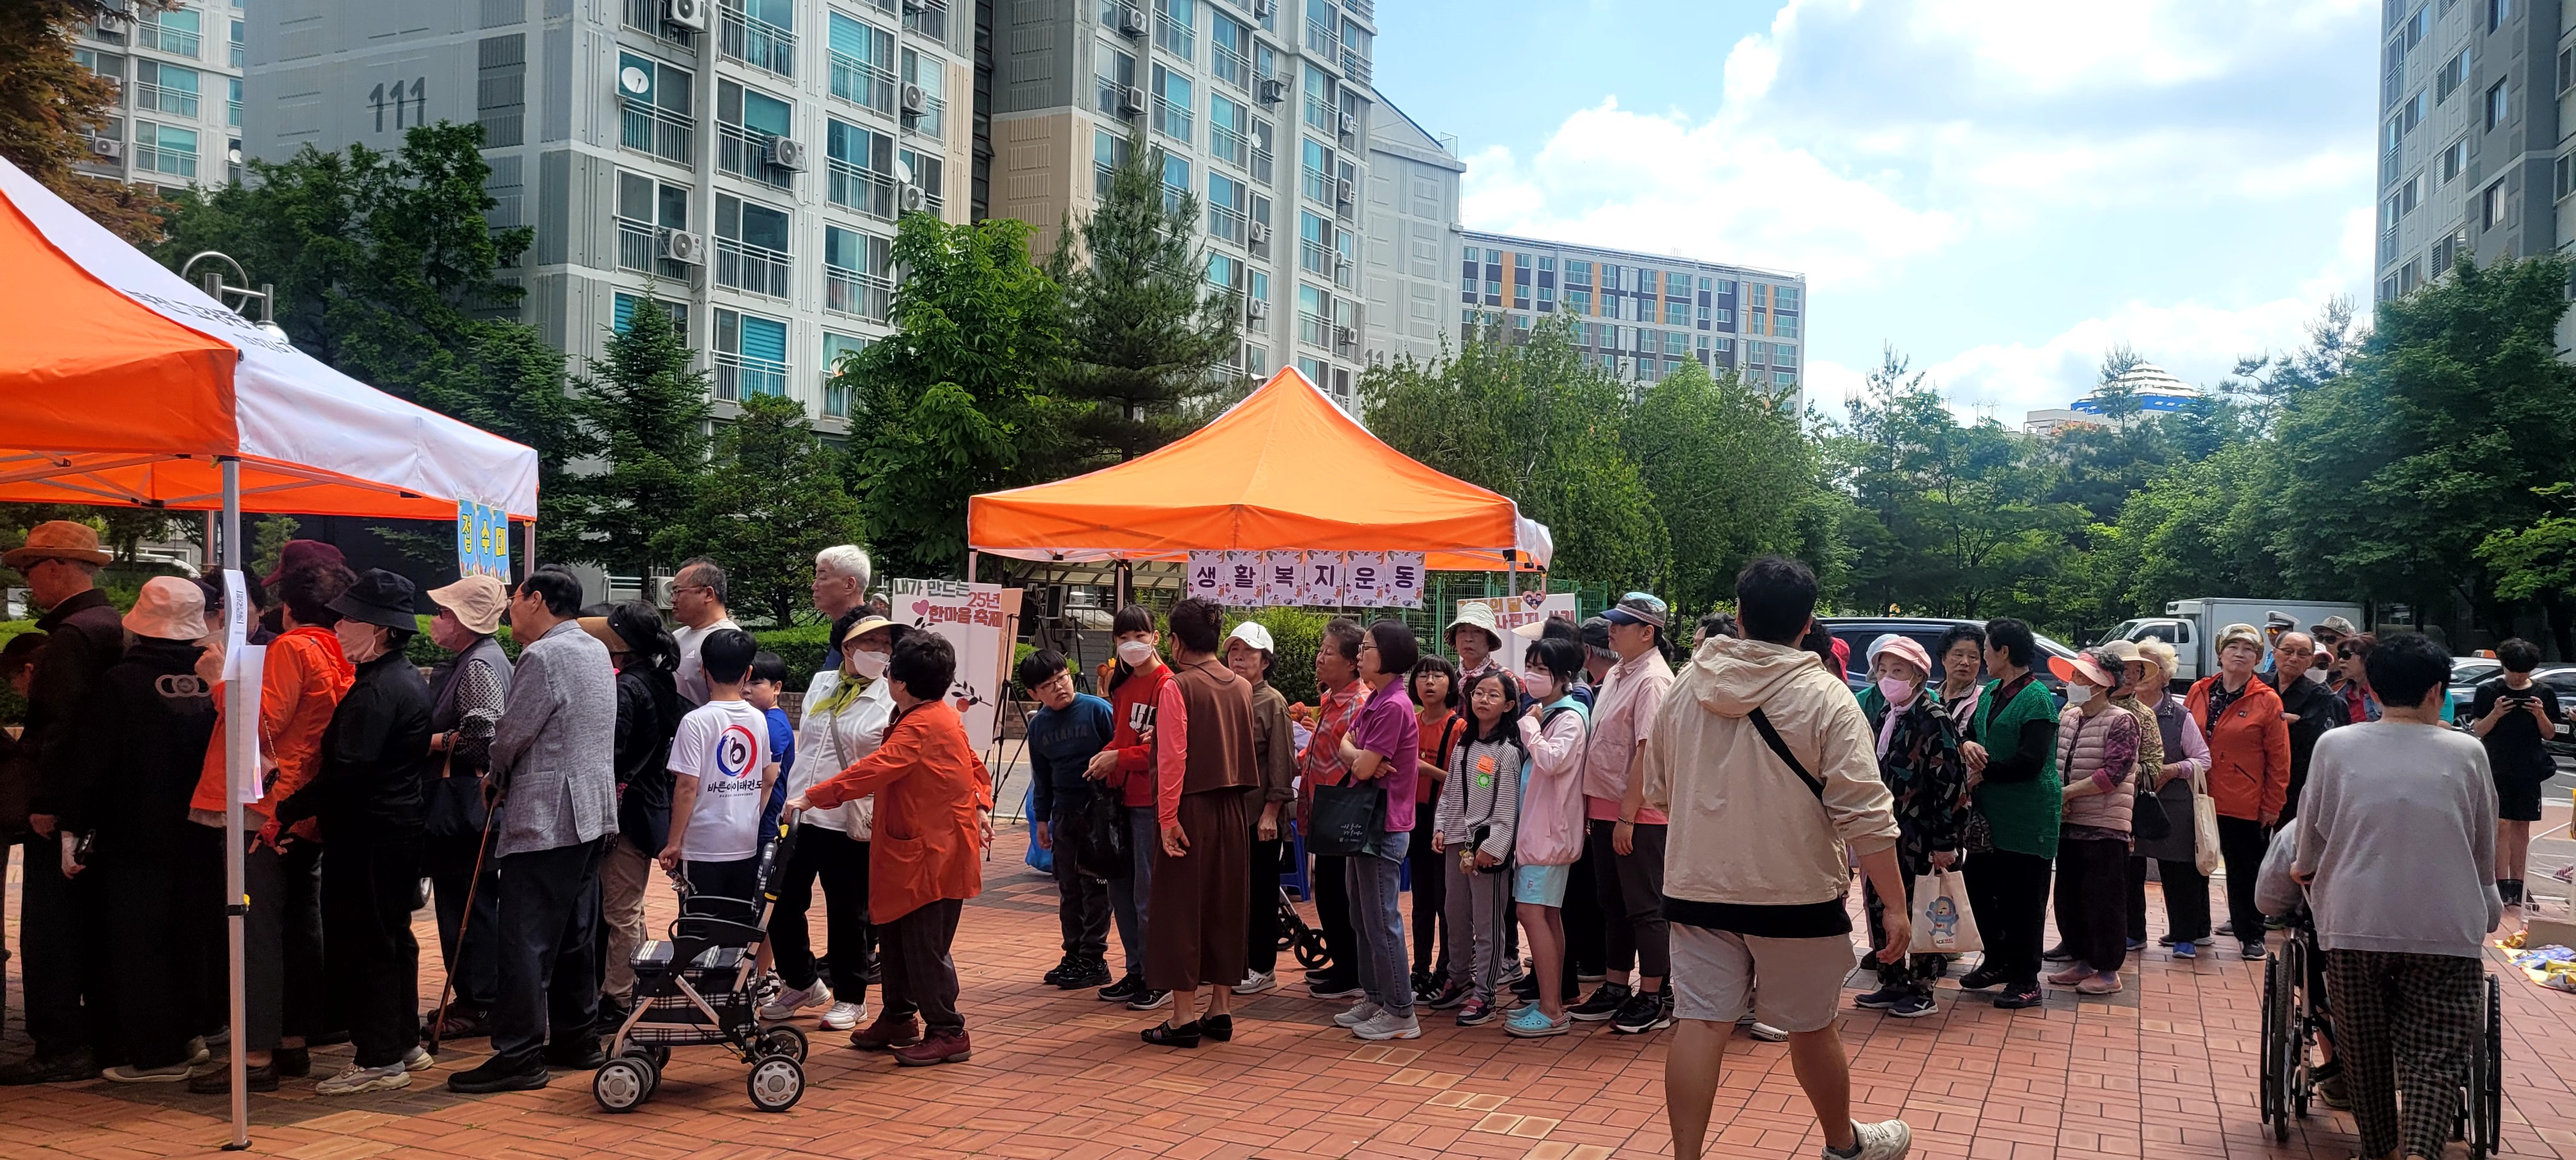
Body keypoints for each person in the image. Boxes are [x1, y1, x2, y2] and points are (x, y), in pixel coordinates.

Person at [1644, 556, 1913, 1160]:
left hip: (1697, 887)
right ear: (1807, 623)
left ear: (1738, 614)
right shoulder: (1826, 696)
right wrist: (1895, 906)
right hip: (1795, 894)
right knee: (1811, 1025)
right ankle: (1844, 1145)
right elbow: (1865, 813)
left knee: (1700, 1024)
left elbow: (1658, 786)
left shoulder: (1687, 685)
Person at [2295, 632, 2504, 1160]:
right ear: (2437, 691)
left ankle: (2378, 1149)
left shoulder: (2336, 745)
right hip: (2445, 925)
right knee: (2435, 1054)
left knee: (2364, 1050)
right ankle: (2420, 1150)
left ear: (2373, 687)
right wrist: (2490, 901)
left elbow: (2312, 828)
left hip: (2353, 920)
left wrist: (2302, 868)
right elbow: (2483, 842)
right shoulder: (2468, 752)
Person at [178, 563, 353, 1093]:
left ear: (287, 607)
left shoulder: (291, 649)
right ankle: (292, 1041)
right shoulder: (337, 650)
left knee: (255, 928)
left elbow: (260, 724)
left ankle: (255, 1055)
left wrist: (218, 682)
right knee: (298, 926)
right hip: (303, 803)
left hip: (264, 804)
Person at [449, 566, 619, 1094]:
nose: (510, 611)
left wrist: (494, 775)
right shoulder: (594, 648)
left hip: (548, 813)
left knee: (524, 937)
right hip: (591, 811)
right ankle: (576, 1037)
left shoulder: (544, 655)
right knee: (574, 933)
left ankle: (519, 1054)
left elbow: (511, 734)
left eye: (515, 600)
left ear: (537, 599)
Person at [790, 632, 995, 1067]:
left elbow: (875, 768)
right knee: (898, 939)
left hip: (930, 854)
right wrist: (981, 803)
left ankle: (948, 1030)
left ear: (898, 682)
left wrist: (813, 796)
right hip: (919, 849)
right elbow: (974, 765)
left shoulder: (921, 725)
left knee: (923, 946)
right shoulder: (936, 715)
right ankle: (899, 1018)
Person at [272, 570, 438, 1094]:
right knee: (391, 937)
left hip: (367, 832)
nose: (339, 627)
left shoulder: (377, 691)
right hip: (393, 828)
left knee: (365, 944)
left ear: (381, 630)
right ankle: (401, 1043)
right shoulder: (399, 678)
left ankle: (378, 1059)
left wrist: (288, 810)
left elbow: (347, 771)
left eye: (350, 619)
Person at [79, 579, 219, 1083]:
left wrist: (73, 822)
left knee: (139, 941)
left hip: (135, 834)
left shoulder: (120, 683)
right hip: (204, 830)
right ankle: (192, 1033)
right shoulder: (215, 677)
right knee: (193, 934)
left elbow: (95, 764)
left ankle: (157, 1054)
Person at [0, 521, 124, 1085]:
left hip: (65, 807)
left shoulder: (73, 635)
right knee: (93, 925)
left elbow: (60, 727)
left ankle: (59, 1044)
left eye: (30, 570)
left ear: (56, 567)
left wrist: (47, 800)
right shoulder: (115, 625)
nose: (29, 583)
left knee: (50, 929)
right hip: (106, 804)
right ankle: (97, 1035)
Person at [1138, 599, 1261, 1048]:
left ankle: (1183, 1016)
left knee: (1180, 908)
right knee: (1226, 905)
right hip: (1233, 809)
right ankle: (1220, 1009)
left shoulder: (1177, 686)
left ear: (1175, 641)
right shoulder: (1241, 686)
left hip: (1189, 807)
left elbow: (1174, 758)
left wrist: (1167, 817)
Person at [768, 613, 898, 1032]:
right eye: (872, 643)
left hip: (849, 820)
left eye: (886, 644)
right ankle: (802, 981)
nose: (881, 651)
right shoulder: (822, 683)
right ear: (847, 648)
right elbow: (808, 745)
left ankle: (851, 997)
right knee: (782, 901)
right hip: (801, 813)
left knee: (848, 912)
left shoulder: (891, 697)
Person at [1570, 591, 1680, 1035]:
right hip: (1606, 808)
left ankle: (1654, 995)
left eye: (1621, 624)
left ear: (1647, 632)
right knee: (1613, 903)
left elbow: (1646, 751)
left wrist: (1629, 816)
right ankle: (1616, 986)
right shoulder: (1619, 671)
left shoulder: (1653, 680)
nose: (1611, 630)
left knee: (1645, 907)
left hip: (1638, 815)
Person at [1851, 634, 1970, 1018]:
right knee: (1882, 902)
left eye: (1898, 671)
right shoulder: (1888, 715)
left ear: (1918, 675)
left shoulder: (1933, 718)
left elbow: (1950, 783)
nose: (1888, 678)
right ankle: (1892, 981)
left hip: (1922, 833)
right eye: (1883, 670)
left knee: (1923, 906)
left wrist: (1946, 841)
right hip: (1887, 830)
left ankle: (1922, 987)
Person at [581, 601, 683, 1028]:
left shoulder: (626, 689)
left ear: (621, 644)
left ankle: (619, 997)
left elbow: (613, 752)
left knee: (620, 911)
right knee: (630, 905)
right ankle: (637, 982)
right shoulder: (660, 679)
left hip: (628, 810)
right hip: (651, 804)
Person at [420, 574, 512, 1041]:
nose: (436, 620)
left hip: (465, 804)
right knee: (469, 904)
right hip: (469, 803)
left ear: (463, 621)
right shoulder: (479, 658)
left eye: (443, 613)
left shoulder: (478, 665)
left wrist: (430, 741)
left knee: (469, 906)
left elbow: (484, 739)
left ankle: (480, 1002)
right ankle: (477, 997)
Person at [1325, 620, 1423, 1042]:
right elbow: (1344, 743)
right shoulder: (1379, 699)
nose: (1361, 655)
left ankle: (1401, 1010)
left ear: (1389, 655)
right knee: (1362, 916)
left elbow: (1363, 765)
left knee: (1382, 919)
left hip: (1383, 825)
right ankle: (1376, 996)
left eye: (1367, 648)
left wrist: (1361, 757)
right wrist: (1359, 755)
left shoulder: (1393, 705)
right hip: (1367, 822)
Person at [1957, 617, 2060, 1010]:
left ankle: (2026, 978)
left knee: (2024, 899)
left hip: (2028, 814)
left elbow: (2031, 761)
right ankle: (1998, 960)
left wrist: (1985, 774)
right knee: (1979, 888)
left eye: (1985, 649)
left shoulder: (2038, 699)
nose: (1982, 656)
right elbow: (1974, 735)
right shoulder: (1990, 692)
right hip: (1991, 814)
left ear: (2003, 651)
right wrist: (1967, 746)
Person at [656, 629, 779, 926]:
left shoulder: (695, 722)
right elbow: (768, 778)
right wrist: (750, 818)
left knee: (698, 928)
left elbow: (687, 787)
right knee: (736, 927)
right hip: (745, 841)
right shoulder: (758, 718)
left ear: (704, 670)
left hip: (703, 845)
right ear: (748, 672)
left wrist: (674, 842)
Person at [2186, 623, 2290, 961]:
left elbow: (2279, 759)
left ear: (2258, 659)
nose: (2240, 654)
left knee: (2244, 871)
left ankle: (2251, 934)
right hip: (2199, 794)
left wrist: (2272, 804)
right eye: (2233, 647)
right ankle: (2194, 928)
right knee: (2192, 864)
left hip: (2243, 799)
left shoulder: (2267, 700)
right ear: (2220, 653)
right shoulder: (2200, 690)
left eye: (2249, 650)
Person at [2040, 646, 2140, 996]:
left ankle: (2108, 970)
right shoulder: (2069, 716)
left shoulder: (2122, 721)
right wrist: (2061, 797)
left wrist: (2066, 794)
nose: (2073, 682)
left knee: (2104, 901)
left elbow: (2113, 773)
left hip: (2105, 826)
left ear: (2101, 684)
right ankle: (2082, 959)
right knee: (2071, 897)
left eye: (2080, 677)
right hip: (2070, 824)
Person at [1089, 605, 1172, 1009]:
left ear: (1155, 637)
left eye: (1140, 636)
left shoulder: (1167, 685)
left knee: (1147, 895)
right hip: (1119, 801)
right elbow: (1123, 737)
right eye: (1124, 638)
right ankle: (1136, 970)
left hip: (1149, 803)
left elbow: (1164, 749)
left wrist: (1117, 757)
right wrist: (1105, 756)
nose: (1132, 644)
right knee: (1120, 893)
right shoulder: (1121, 686)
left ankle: (1159, 976)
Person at [1506, 636, 1590, 1038]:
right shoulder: (1551, 713)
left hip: (1548, 837)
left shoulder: (1568, 717)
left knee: (1530, 913)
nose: (1533, 675)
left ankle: (1552, 1010)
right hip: (1542, 833)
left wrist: (1529, 728)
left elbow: (1552, 761)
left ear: (1563, 676)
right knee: (1547, 915)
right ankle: (1550, 1000)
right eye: (1531, 667)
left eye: (1542, 669)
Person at [1433, 669, 1524, 1027]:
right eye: (1478, 693)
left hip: (1487, 850)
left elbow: (1507, 806)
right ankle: (1458, 979)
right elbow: (1450, 792)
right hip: (1458, 843)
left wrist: (1495, 846)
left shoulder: (1508, 751)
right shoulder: (1465, 744)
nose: (1483, 700)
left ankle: (1485, 994)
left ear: (1509, 705)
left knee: (1488, 923)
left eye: (1493, 695)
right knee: (1454, 914)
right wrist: (1441, 827)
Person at [1023, 647, 1117, 992]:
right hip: (1064, 815)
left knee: (1096, 889)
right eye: (1048, 685)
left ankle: (1094, 958)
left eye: (1062, 678)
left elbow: (1119, 754)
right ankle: (1074, 953)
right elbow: (1042, 777)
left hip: (1100, 815)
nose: (1059, 687)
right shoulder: (1039, 726)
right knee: (1069, 889)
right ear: (1034, 693)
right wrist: (1042, 820)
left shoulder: (1098, 710)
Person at [1296, 618, 1372, 1002]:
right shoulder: (1330, 699)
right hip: (1322, 809)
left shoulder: (1359, 704)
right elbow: (1318, 751)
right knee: (1327, 890)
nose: (1319, 658)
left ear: (1352, 662)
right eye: (1320, 650)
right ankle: (1342, 963)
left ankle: (1352, 971)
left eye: (1328, 652)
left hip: (1343, 813)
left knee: (1339, 893)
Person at [1224, 622, 1300, 997]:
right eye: (1234, 650)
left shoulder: (1272, 703)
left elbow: (1282, 762)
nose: (1239, 658)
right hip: (1228, 814)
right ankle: (1234, 962)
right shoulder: (1226, 696)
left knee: (1261, 893)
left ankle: (1262, 966)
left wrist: (1271, 812)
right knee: (1232, 893)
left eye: (1248, 652)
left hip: (1259, 816)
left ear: (1265, 661)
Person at [2126, 641, 2214, 958]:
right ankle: (2132, 933)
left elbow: (2203, 759)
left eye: (2151, 668)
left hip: (2173, 803)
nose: (2142, 674)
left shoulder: (2179, 715)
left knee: (2179, 872)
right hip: (2129, 802)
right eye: (2136, 667)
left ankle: (2184, 937)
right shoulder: (2121, 708)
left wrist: (2174, 769)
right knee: (2129, 871)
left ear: (2165, 676)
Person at [2471, 637, 2560, 908]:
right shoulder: (2488, 691)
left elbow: (2550, 734)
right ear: (2504, 666)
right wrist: (2496, 713)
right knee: (2500, 824)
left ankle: (2519, 883)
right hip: (2496, 765)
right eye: (2514, 671)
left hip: (2529, 766)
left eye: (2524, 672)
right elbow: (2479, 729)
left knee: (2522, 825)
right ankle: (2500, 882)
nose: (2519, 676)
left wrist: (2540, 714)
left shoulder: (2544, 693)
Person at [1408, 654, 1462, 1007]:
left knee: (1445, 901)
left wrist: (1427, 770)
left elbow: (1465, 781)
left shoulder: (1458, 727)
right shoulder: (1411, 722)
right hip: (1413, 818)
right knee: (1421, 901)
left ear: (1451, 684)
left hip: (1444, 821)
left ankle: (1446, 972)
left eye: (1438, 677)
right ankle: (1420, 969)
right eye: (1423, 676)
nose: (1429, 683)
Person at [2266, 630, 2347, 829]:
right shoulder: (2258, 685)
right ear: (2275, 653)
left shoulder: (2323, 697)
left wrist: (2267, 721)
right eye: (2288, 651)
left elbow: (2308, 735)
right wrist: (2285, 720)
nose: (2294, 658)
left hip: (2297, 784)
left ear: (2310, 660)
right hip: (2255, 780)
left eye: (2302, 654)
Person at [746, 650, 797, 857]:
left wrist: (751, 821)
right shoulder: (759, 719)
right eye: (744, 681)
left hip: (764, 820)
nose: (746, 690)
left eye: (755, 683)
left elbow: (768, 780)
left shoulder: (773, 724)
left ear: (776, 688)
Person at [670, 556, 740, 706]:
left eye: (678, 591)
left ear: (708, 594)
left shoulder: (729, 641)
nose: (673, 600)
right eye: (673, 592)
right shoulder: (676, 636)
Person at [809, 546, 872, 671]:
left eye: (823, 578)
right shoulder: (844, 628)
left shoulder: (871, 636)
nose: (814, 586)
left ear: (849, 585)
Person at [1931, 623, 1985, 733]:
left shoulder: (1983, 700)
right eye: (1958, 655)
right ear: (1944, 658)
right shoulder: (1930, 695)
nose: (1965, 662)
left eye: (1973, 657)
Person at [1445, 602, 1505, 684]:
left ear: (1490, 639)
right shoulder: (1449, 682)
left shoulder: (1505, 681)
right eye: (1463, 631)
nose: (1468, 639)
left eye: (1477, 631)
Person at [2332, 634, 2384, 725]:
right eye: (2340, 655)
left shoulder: (2385, 694)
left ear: (2366, 657)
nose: (2341, 660)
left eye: (2346, 655)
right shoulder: (2336, 693)